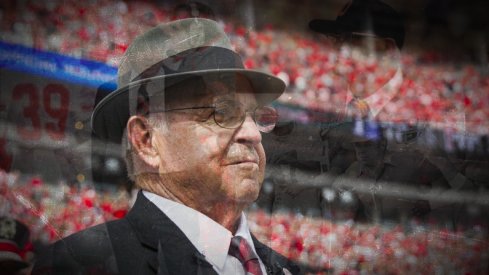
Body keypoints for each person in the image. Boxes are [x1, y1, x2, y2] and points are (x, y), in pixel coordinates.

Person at [32, 18, 299, 275]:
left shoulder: (286, 269)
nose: (253, 134)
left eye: (254, 116)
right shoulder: (81, 264)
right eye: (221, 112)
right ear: (146, 141)